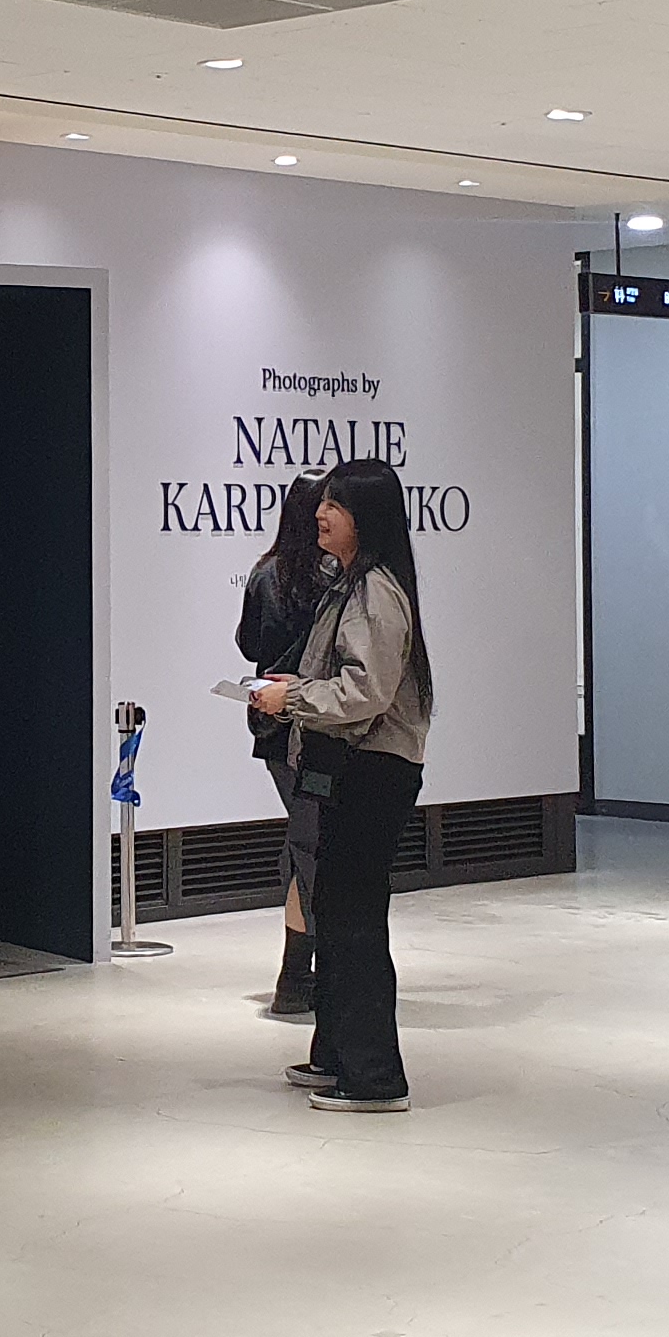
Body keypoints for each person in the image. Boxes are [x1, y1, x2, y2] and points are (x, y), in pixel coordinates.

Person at [251, 459, 433, 1113]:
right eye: (321, 502)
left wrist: (293, 698)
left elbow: (365, 692)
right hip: (348, 767)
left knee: (354, 921)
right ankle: (336, 1054)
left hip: (371, 771)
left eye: (335, 505)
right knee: (334, 910)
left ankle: (373, 1075)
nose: (321, 514)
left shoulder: (376, 591)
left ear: (368, 518)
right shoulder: (348, 583)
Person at [235, 474, 334, 1018]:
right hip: (316, 723)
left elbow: (247, 642)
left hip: (271, 725)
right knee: (313, 849)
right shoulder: (332, 577)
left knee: (304, 843)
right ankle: (298, 977)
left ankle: (298, 974)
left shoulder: (264, 572)